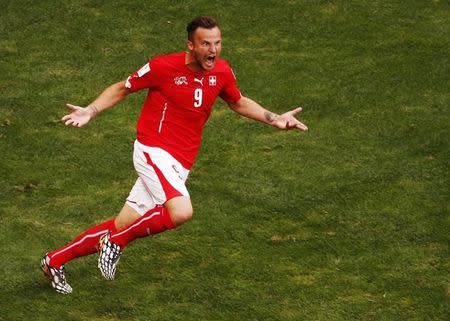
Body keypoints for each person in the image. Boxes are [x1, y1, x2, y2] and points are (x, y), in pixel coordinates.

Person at [40, 16, 308, 294]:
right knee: (180, 211)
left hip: (180, 162)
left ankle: (54, 261)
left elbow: (238, 102)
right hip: (152, 150)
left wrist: (274, 118)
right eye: (205, 43)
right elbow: (123, 88)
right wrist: (91, 110)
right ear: (190, 45)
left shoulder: (222, 72)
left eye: (217, 43)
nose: (213, 50)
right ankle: (116, 243)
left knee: (124, 223)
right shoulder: (162, 67)